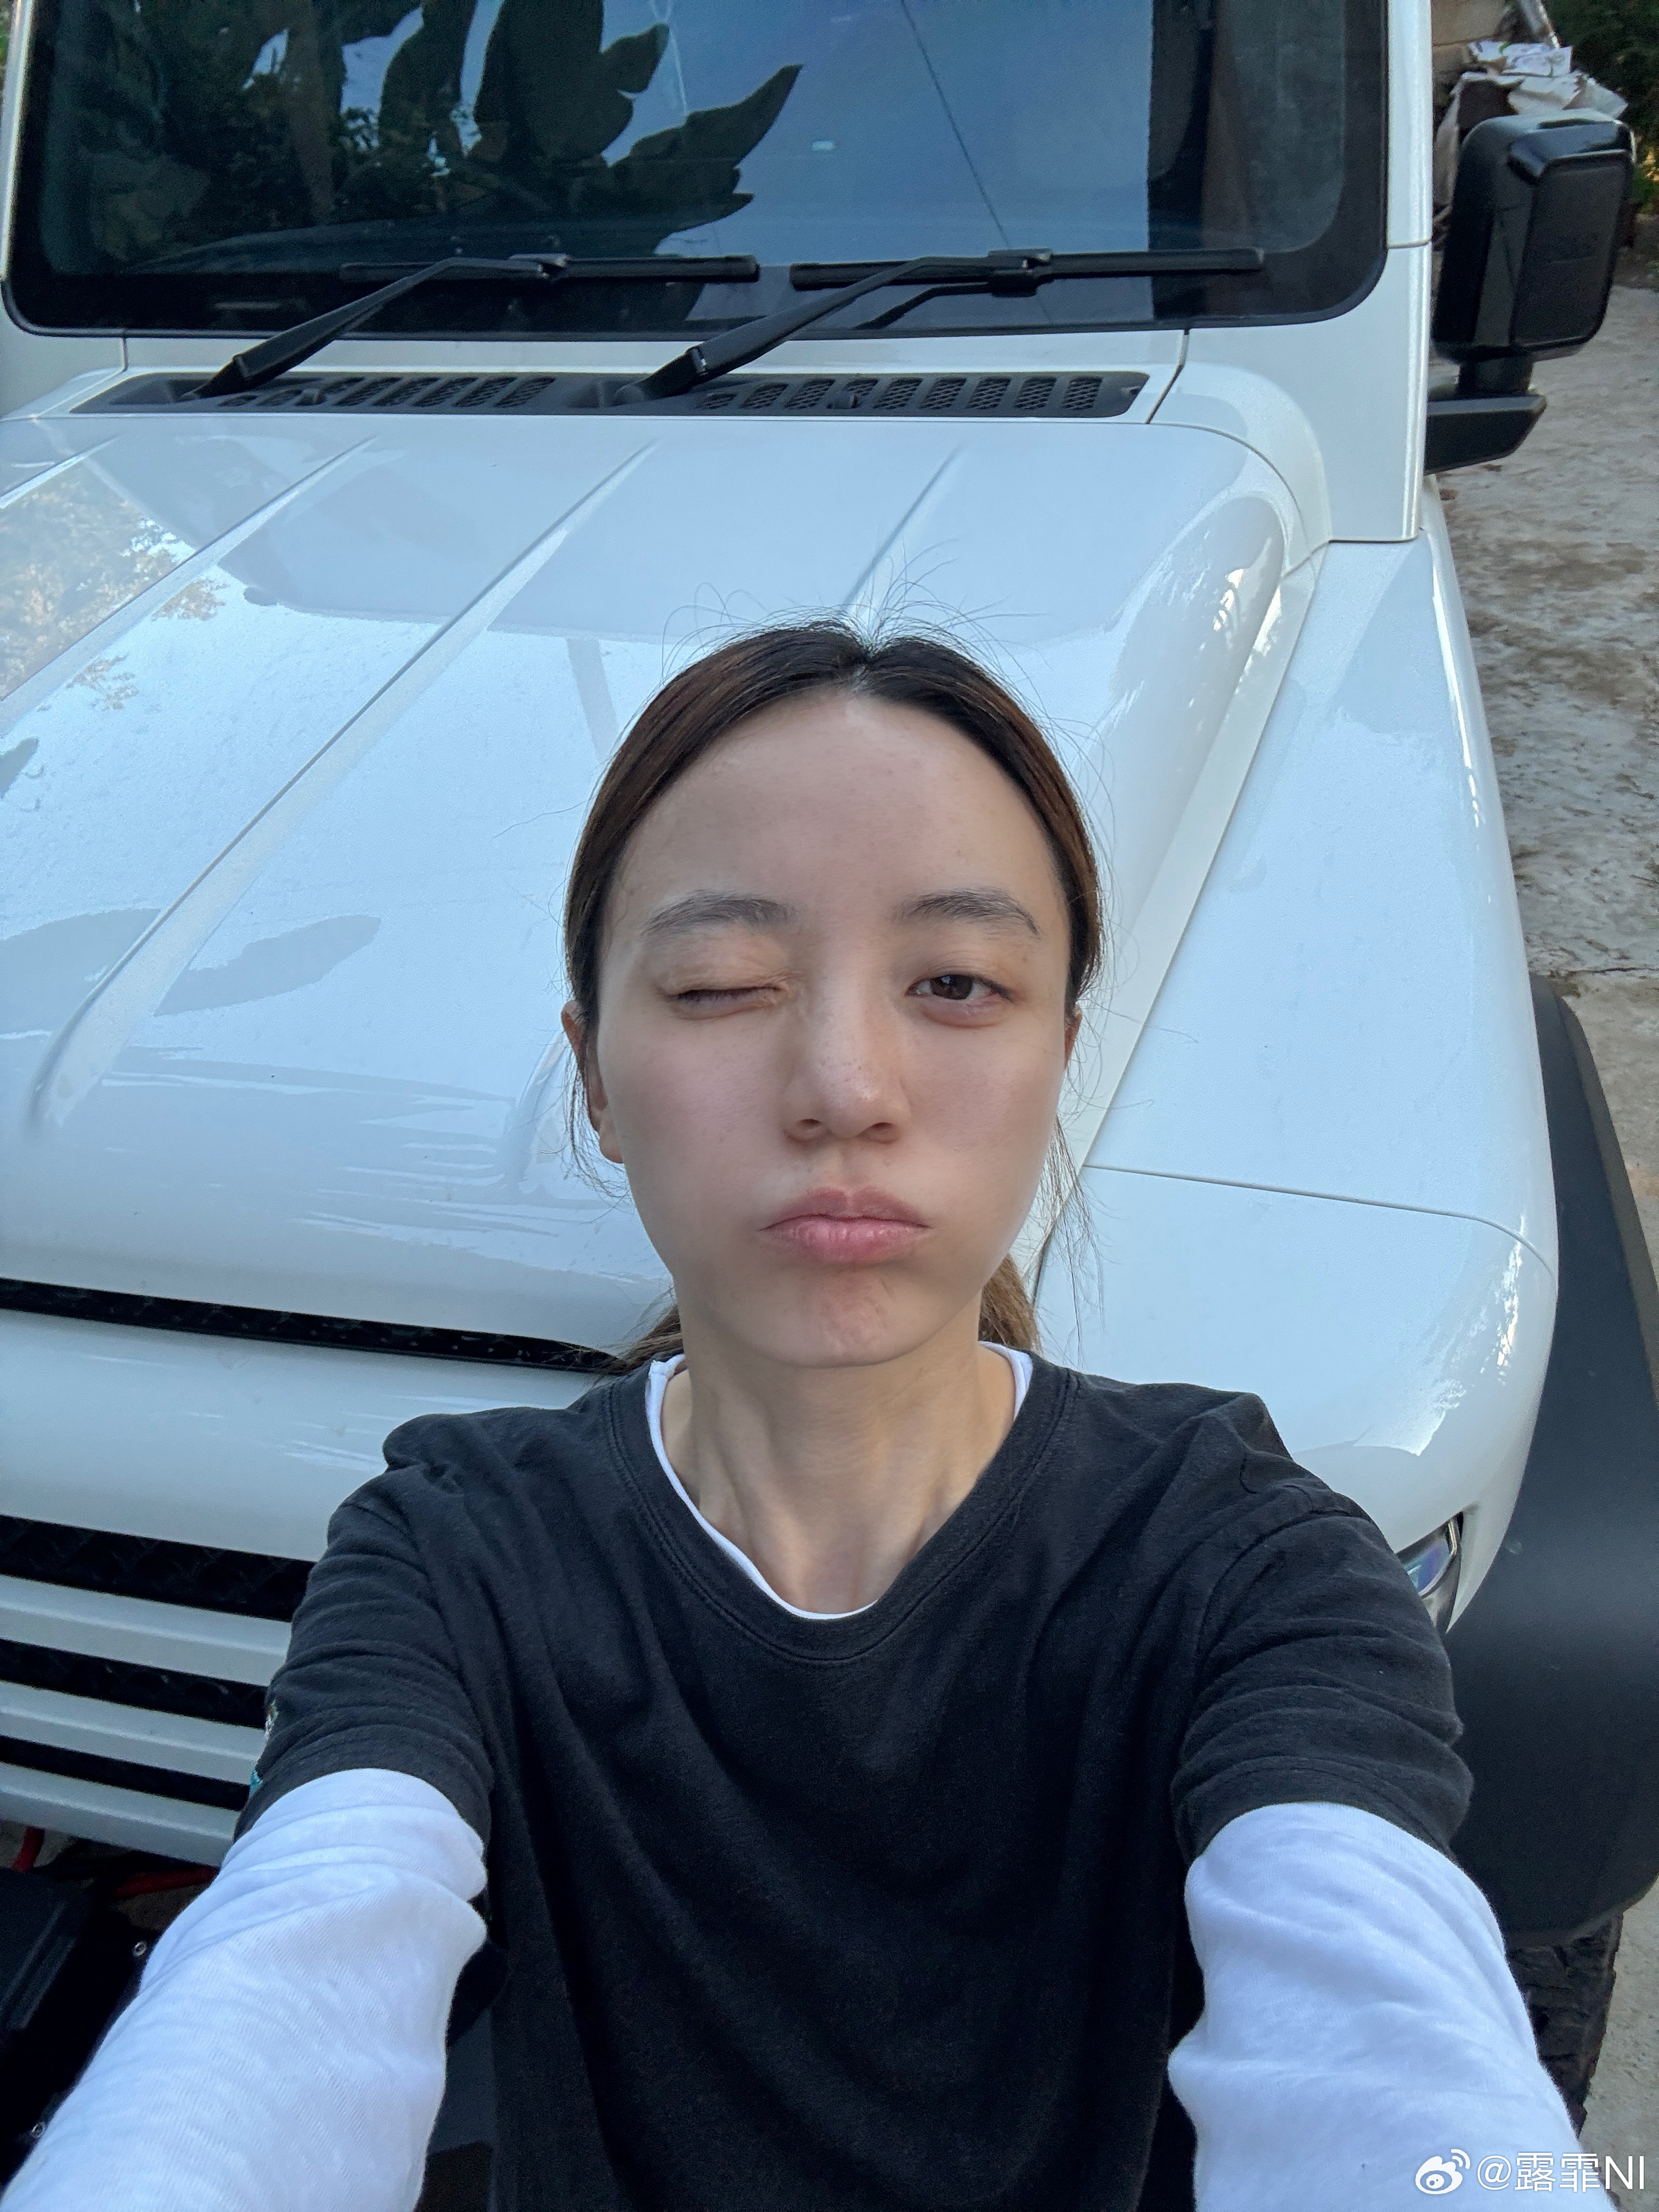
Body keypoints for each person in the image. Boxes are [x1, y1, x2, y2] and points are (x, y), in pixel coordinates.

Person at [5, 624, 1590, 2212]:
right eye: (720, 985)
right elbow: (295, 1954)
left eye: (957, 984)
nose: (844, 1084)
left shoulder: (1243, 1558)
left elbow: (1385, 2024)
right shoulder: (454, 1550)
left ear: (1059, 1055)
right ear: (595, 1077)